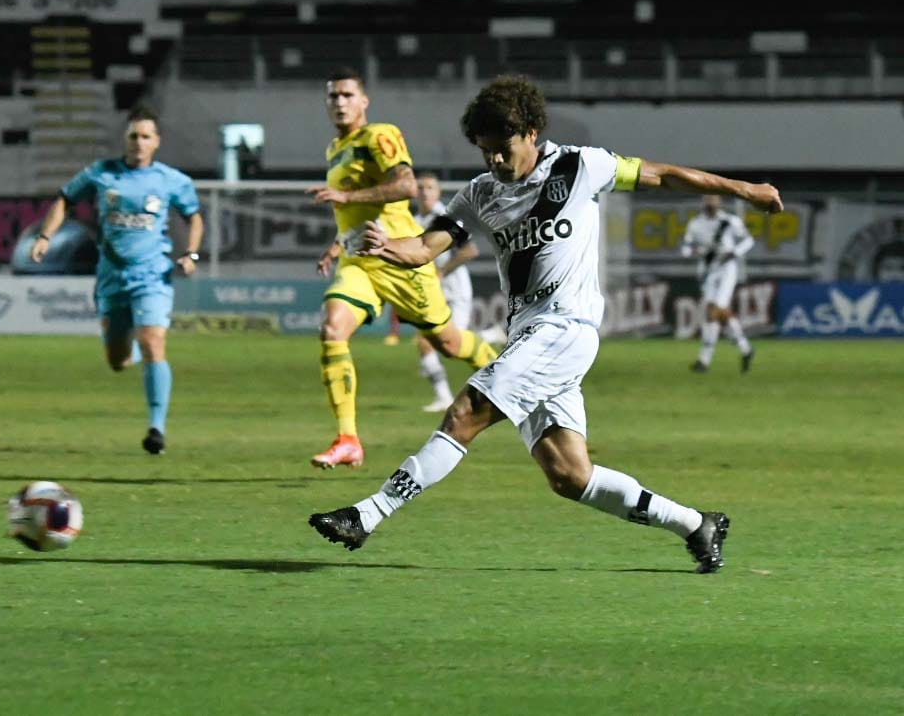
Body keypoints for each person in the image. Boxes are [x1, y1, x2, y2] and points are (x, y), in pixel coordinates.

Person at [309, 75, 784, 573]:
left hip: (565, 328)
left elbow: (662, 175)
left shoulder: (581, 166)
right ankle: (695, 524)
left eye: (503, 148)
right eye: (485, 151)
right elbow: (427, 246)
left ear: (532, 132)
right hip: (531, 335)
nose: (495, 160)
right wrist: (390, 248)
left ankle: (368, 514)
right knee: (569, 476)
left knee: (465, 413)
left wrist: (744, 190)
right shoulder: (479, 193)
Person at [306, 67, 498, 470]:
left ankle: (513, 379)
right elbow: (353, 212)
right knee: (332, 329)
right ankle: (347, 439)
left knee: (448, 344)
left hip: (397, 257)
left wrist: (346, 195)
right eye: (333, 95)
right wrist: (337, 243)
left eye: (347, 95)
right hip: (358, 260)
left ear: (363, 101)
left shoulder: (379, 136)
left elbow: (405, 185)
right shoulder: (334, 149)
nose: (339, 102)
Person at [31, 104, 203, 455]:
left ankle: (156, 429)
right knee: (118, 360)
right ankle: (132, 348)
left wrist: (191, 254)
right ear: (125, 139)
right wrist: (45, 236)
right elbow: (65, 198)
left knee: (154, 341)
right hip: (111, 277)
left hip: (152, 276)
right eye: (133, 136)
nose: (139, 142)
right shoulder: (102, 173)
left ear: (157, 141)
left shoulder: (171, 180)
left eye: (145, 136)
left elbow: (194, 217)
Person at [412, 172, 507, 412]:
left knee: (450, 343)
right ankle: (443, 397)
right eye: (420, 187)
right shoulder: (415, 220)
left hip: (455, 290)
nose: (424, 192)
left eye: (430, 187)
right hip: (433, 291)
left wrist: (442, 271)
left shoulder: (445, 219)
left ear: (437, 192)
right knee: (427, 341)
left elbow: (470, 250)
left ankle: (490, 336)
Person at [681, 195, 756, 373]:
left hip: (727, 269)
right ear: (703, 202)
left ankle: (704, 360)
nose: (711, 203)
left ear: (719, 202)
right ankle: (745, 348)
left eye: (714, 199)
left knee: (713, 310)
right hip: (708, 270)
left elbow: (748, 240)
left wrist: (734, 252)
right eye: (708, 199)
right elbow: (685, 249)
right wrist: (696, 252)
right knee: (715, 312)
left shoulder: (729, 221)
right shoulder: (695, 223)